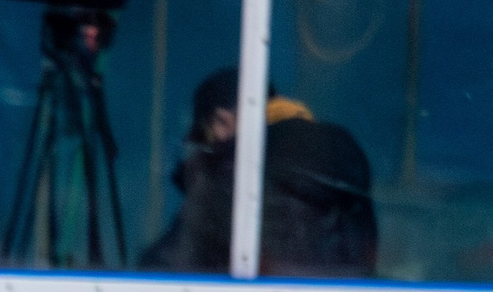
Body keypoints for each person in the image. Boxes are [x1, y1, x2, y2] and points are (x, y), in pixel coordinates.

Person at [141, 67, 377, 276]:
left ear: (221, 121)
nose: (204, 153)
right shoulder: (343, 157)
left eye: (204, 140)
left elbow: (168, 266)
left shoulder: (232, 170)